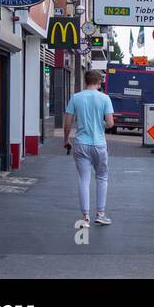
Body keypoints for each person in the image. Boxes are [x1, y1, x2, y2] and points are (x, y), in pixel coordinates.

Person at [63, 70, 116, 229]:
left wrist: (66, 140)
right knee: (102, 177)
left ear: (85, 81)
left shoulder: (76, 98)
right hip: (99, 144)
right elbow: (110, 123)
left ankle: (85, 217)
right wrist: (102, 123)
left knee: (83, 179)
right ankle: (100, 214)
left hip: (80, 144)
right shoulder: (105, 98)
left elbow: (67, 123)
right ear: (99, 82)